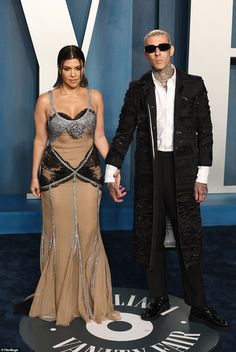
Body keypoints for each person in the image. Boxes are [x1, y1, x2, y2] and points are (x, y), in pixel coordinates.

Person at [105, 29, 229, 329]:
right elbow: (124, 133)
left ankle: (198, 304)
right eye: (151, 49)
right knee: (151, 233)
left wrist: (202, 177)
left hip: (184, 168)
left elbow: (206, 132)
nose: (157, 52)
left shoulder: (193, 85)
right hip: (150, 168)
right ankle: (157, 296)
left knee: (189, 235)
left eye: (162, 47)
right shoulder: (138, 89)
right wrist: (111, 172)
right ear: (146, 54)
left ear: (171, 49)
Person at [29, 45, 119, 326]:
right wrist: (33, 177)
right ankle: (62, 302)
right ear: (59, 69)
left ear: (83, 68)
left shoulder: (96, 97)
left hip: (90, 173)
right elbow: (40, 140)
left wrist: (115, 169)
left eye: (77, 68)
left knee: (90, 233)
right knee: (62, 235)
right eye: (67, 68)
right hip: (54, 176)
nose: (72, 74)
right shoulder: (46, 100)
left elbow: (101, 137)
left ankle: (90, 300)